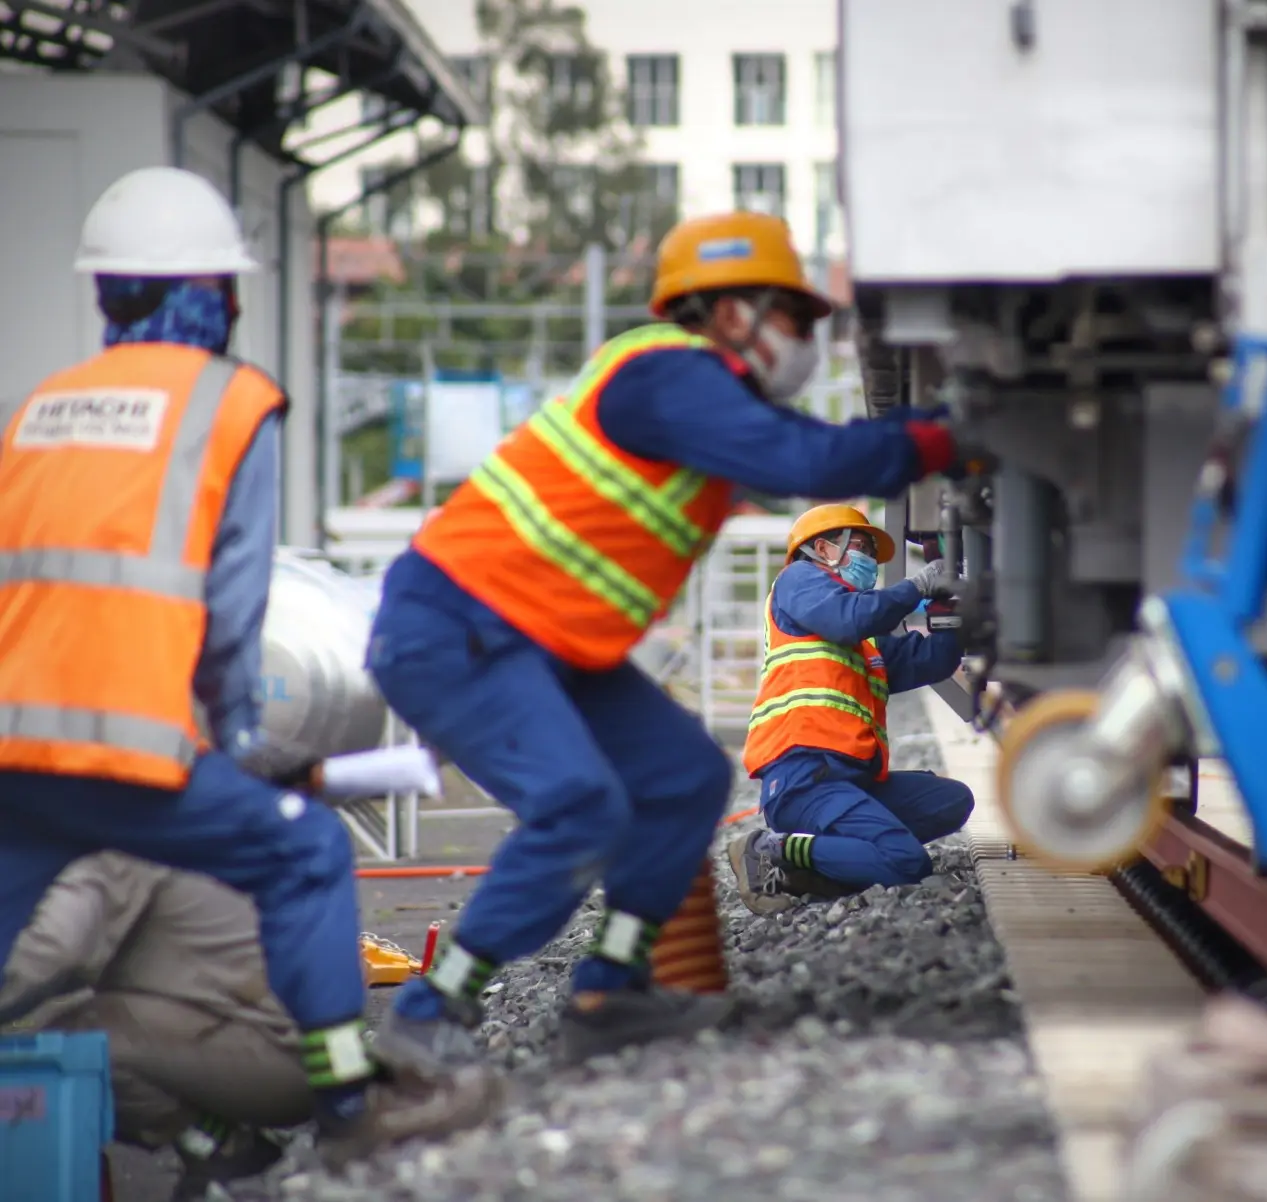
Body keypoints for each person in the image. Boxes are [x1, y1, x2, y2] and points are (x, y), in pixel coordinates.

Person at [363, 210, 968, 1074]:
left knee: (684, 777)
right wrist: (952, 434)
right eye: (794, 320)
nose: (804, 343)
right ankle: (429, 1013)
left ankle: (611, 994)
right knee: (580, 807)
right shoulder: (665, 375)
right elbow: (809, 460)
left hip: (540, 640)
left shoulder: (697, 408)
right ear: (731, 314)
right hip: (458, 624)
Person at [0, 166, 496, 1170]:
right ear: (213, 292)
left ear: (107, 291)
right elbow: (232, 609)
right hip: (136, 745)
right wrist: (232, 738)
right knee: (305, 847)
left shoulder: (39, 408)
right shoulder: (229, 402)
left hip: (17, 743)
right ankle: (351, 1099)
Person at [0, 854, 308, 1200]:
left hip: (277, 1053)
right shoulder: (145, 822)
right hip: (280, 1036)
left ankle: (225, 1151)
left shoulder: (108, 842)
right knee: (78, 1025)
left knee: (76, 1044)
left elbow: (50, 954)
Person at [726, 505, 975, 915]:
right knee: (906, 861)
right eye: (859, 546)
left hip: (850, 780)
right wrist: (916, 586)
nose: (868, 561)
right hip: (804, 778)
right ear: (822, 548)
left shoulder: (865, 644)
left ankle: (825, 863)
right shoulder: (798, 581)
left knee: (951, 801)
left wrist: (948, 604)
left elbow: (934, 660)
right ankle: (773, 849)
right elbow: (849, 617)